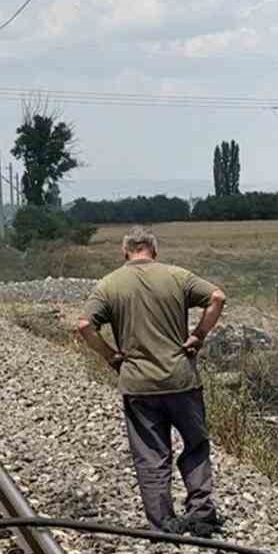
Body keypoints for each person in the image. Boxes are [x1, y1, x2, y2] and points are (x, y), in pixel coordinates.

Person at [74, 226, 227, 536]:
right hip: (181, 379)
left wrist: (110, 355)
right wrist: (198, 335)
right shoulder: (177, 276)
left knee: (151, 454)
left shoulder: (109, 285)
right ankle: (201, 514)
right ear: (154, 251)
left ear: (125, 251)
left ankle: (162, 523)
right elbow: (217, 297)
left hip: (138, 384)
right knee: (195, 445)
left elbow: (84, 325)